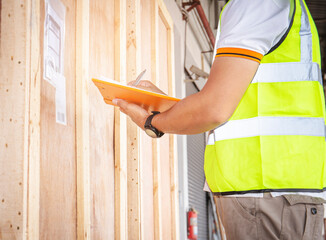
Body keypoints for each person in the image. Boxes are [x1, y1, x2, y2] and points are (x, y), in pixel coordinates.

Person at [113, 0, 326, 239]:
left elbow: (214, 109)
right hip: (269, 197)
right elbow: (228, 112)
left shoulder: (255, 3)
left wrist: (151, 122)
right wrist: (164, 109)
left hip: (266, 196)